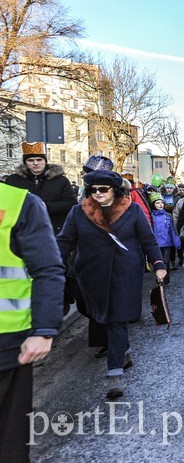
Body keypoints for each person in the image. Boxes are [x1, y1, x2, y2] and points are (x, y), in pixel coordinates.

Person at [57, 170, 168, 400]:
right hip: (90, 275)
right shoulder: (79, 212)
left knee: (116, 319)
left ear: (114, 191)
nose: (98, 194)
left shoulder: (133, 210)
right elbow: (65, 240)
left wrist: (158, 263)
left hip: (124, 273)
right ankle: (124, 349)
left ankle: (114, 375)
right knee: (98, 316)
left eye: (103, 189)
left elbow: (148, 239)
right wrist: (50, 263)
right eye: (93, 190)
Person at [0, 185, 64, 461]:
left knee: (9, 440)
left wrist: (44, 329)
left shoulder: (18, 202)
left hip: (8, 343)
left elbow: (47, 268)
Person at [4, 141, 77, 234]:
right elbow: (6, 204)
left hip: (53, 230)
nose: (35, 163)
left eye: (39, 160)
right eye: (30, 160)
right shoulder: (13, 180)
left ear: (45, 161)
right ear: (25, 162)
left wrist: (45, 206)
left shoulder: (61, 181)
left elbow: (71, 203)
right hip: (23, 230)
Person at [150, 193, 181, 270]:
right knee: (157, 261)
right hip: (155, 243)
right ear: (153, 205)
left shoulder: (168, 216)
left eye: (162, 202)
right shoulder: (151, 217)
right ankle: (160, 277)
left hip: (167, 243)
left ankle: (166, 276)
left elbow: (173, 230)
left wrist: (177, 243)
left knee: (166, 261)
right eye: (157, 203)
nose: (160, 205)